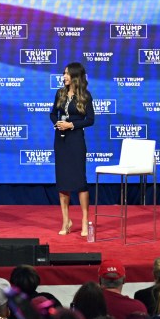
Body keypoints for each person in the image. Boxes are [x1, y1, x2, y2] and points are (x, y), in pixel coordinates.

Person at [49, 62, 95, 236]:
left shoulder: (85, 96)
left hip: (76, 140)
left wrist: (71, 125)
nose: (64, 76)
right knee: (63, 182)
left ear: (76, 76)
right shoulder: (60, 93)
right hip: (60, 141)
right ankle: (66, 221)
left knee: (80, 181)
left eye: (67, 74)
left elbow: (90, 120)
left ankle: (84, 220)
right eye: (64, 73)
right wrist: (58, 123)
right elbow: (52, 113)